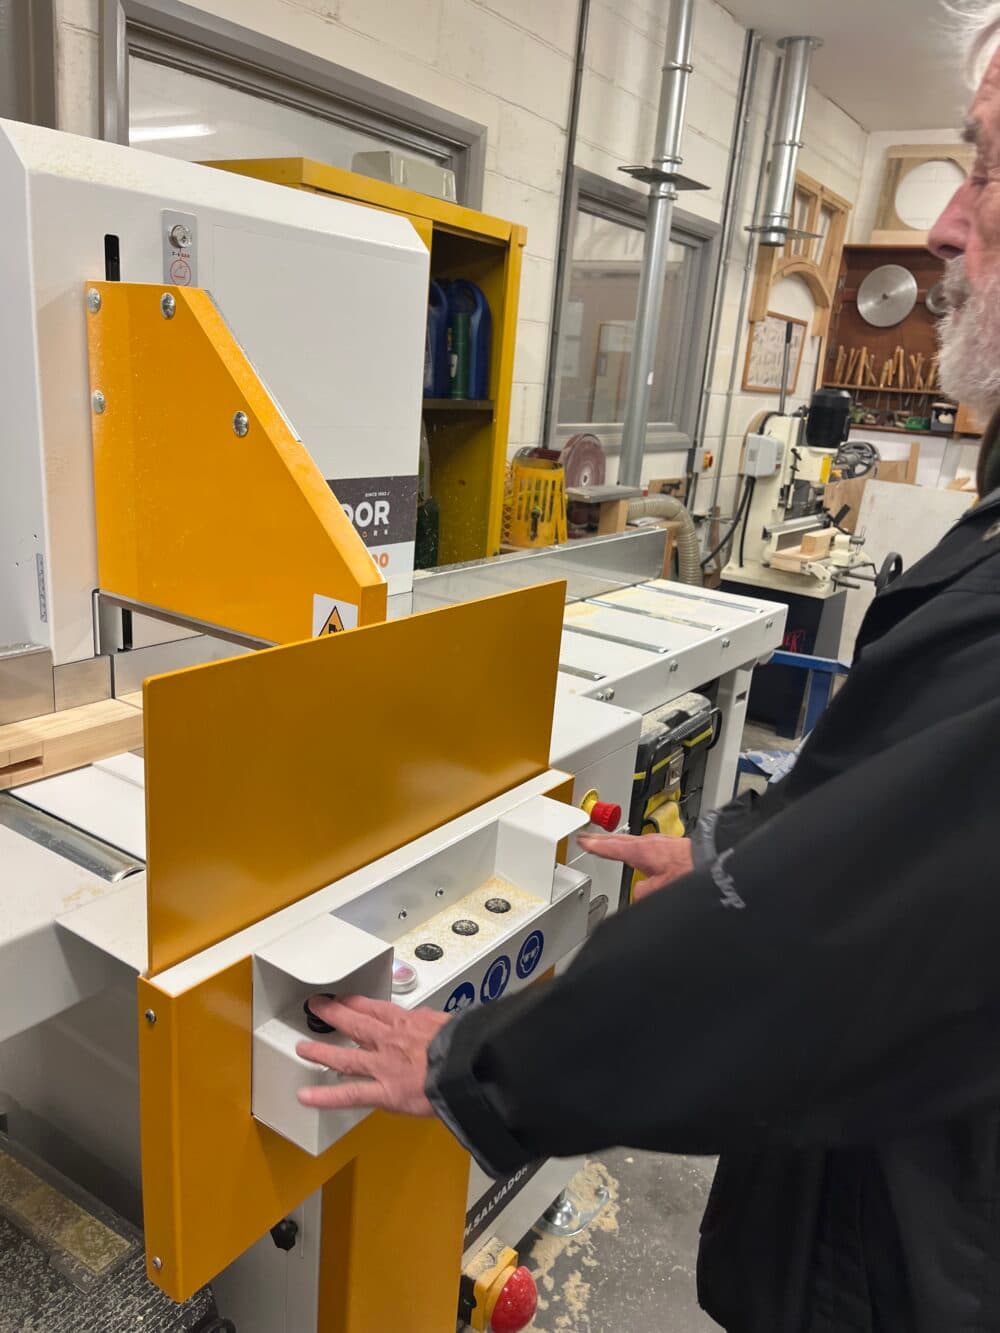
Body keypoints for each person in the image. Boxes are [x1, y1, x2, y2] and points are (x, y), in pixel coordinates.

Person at [295, 9, 1000, 1329]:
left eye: (989, 166)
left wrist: (469, 1065)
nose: (949, 222)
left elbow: (807, 949)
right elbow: (891, 848)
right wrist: (747, 841)